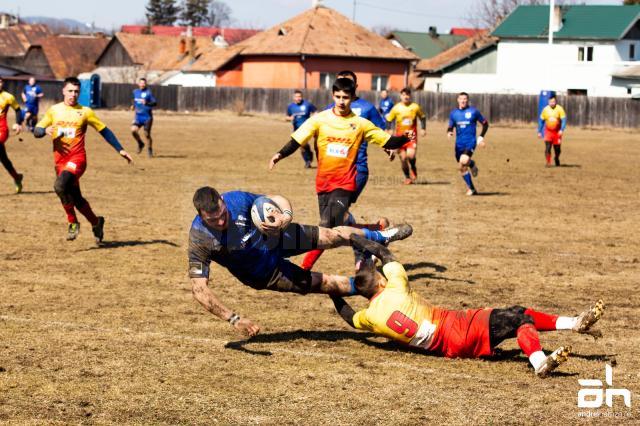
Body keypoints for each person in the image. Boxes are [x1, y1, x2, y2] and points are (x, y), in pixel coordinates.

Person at [331, 235, 605, 377]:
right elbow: (386, 253)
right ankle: (539, 362)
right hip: (456, 327)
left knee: (515, 316)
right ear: (379, 283)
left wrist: (332, 292)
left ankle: (573, 323)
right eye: (379, 275)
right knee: (520, 318)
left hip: (449, 347)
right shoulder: (396, 287)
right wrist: (357, 239)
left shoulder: (370, 317)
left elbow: (350, 318)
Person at [188, 186, 413, 337]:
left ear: (222, 201)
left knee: (332, 235)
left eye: (222, 214)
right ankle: (369, 287)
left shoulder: (236, 199)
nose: (220, 221)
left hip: (278, 237)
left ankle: (383, 236)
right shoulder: (200, 238)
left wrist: (285, 215)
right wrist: (233, 319)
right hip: (265, 272)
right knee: (323, 283)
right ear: (200, 215)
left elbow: (275, 199)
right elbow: (199, 290)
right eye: (213, 220)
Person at [270, 78, 412, 271]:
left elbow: (387, 141)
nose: (341, 101)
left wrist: (404, 139)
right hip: (323, 183)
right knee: (339, 227)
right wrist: (280, 154)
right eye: (337, 97)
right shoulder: (320, 119)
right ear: (332, 96)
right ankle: (375, 230)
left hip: (345, 183)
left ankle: (304, 268)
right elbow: (297, 139)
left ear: (352, 97)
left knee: (326, 225)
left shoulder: (360, 124)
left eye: (345, 97)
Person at [34, 77, 132, 242]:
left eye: (76, 92)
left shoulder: (85, 112)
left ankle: (72, 223)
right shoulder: (54, 110)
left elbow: (104, 130)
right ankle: (96, 222)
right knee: (76, 198)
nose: (73, 94)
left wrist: (120, 149)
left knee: (59, 186)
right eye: (70, 91)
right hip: (60, 162)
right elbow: (37, 130)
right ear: (63, 91)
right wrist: (44, 130)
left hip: (77, 159)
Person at [447, 92, 489, 196]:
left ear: (468, 100)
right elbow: (450, 125)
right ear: (458, 100)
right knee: (462, 167)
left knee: (463, 160)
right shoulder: (453, 113)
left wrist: (480, 138)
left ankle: (470, 164)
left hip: (470, 142)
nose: (463, 100)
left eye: (465, 99)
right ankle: (472, 188)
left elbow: (485, 124)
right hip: (459, 144)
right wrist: (449, 131)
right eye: (461, 98)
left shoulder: (474, 112)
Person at [385, 88, 426, 184]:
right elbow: (389, 119)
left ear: (410, 96)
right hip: (400, 138)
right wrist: (389, 129)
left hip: (411, 136)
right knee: (403, 159)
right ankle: (407, 177)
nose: (406, 96)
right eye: (404, 95)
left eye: (407, 95)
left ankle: (413, 168)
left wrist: (423, 128)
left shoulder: (415, 107)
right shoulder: (396, 108)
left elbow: (422, 117)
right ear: (401, 96)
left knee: (411, 155)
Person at [0, 76, 25, 194]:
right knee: (4, 159)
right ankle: (17, 177)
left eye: (0, 82)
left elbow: (18, 110)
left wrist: (18, 123)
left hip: (2, 130)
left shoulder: (8, 97)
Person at [286, 90, 317, 168]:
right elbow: (287, 117)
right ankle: (308, 160)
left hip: (307, 129)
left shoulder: (307, 104)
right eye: (296, 96)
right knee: (302, 146)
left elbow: (315, 112)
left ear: (302, 97)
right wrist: (290, 118)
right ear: (293, 97)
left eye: (300, 96)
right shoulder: (290, 107)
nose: (298, 98)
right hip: (297, 130)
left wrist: (315, 117)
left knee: (302, 144)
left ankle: (308, 160)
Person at [538, 96, 567, 167]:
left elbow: (563, 120)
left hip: (557, 132)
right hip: (548, 132)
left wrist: (561, 129)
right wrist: (539, 131)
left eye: (553, 102)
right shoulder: (545, 110)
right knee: (547, 147)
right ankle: (548, 162)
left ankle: (556, 158)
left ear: (556, 102)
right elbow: (541, 121)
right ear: (548, 102)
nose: (552, 103)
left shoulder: (560, 109)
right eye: (551, 102)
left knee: (557, 149)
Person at [131, 77, 157, 157]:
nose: (142, 84)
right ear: (139, 84)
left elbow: (155, 103)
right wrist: (133, 105)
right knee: (133, 130)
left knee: (147, 134)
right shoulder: (135, 92)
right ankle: (140, 143)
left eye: (144, 83)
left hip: (147, 117)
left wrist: (147, 103)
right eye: (141, 83)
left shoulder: (148, 93)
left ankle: (150, 150)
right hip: (138, 117)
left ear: (146, 84)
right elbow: (134, 100)